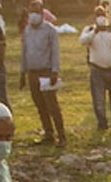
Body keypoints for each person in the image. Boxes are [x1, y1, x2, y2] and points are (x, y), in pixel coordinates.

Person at [20, 0, 64, 147]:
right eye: (31, 12)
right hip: (32, 73)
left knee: (52, 106)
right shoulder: (27, 30)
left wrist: (54, 72)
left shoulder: (50, 30)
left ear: (42, 13)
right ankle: (48, 133)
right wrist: (22, 73)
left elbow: (55, 52)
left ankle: (61, 135)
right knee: (40, 105)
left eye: (36, 12)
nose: (33, 15)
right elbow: (24, 51)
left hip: (46, 73)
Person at [80, 6, 111, 131]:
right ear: (95, 17)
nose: (101, 17)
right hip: (97, 70)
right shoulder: (89, 29)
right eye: (98, 15)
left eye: (103, 15)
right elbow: (82, 41)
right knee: (99, 100)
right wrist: (95, 31)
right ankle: (102, 124)